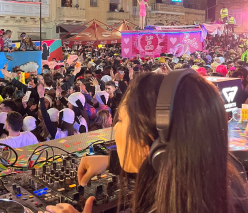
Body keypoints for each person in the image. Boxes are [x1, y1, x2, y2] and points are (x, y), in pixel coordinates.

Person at [71, 71, 248, 213]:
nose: (115, 128)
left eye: (121, 120)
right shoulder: (222, 185)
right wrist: (111, 161)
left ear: (155, 149)